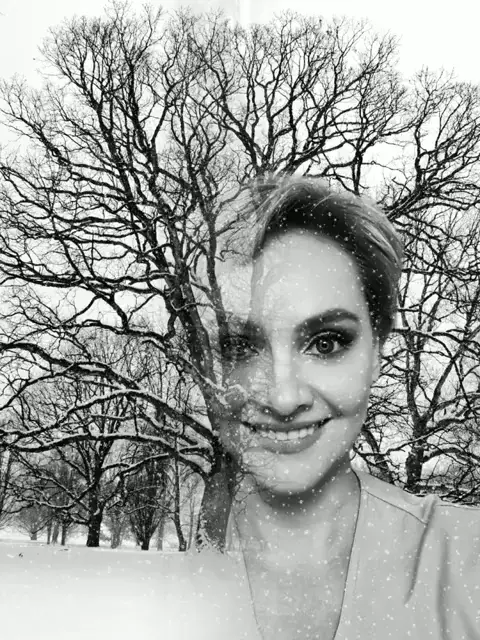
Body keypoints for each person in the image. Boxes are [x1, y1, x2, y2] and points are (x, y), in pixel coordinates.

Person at [212, 174, 480, 640]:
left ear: (378, 350)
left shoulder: (468, 561)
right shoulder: (149, 568)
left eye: (326, 342)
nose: (283, 398)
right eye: (241, 346)